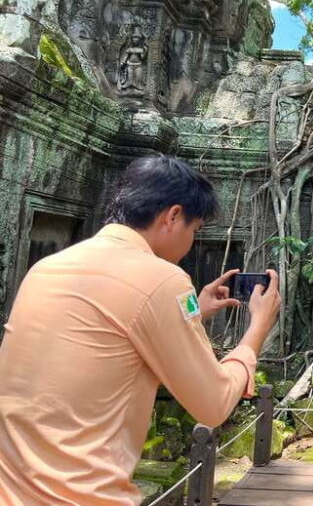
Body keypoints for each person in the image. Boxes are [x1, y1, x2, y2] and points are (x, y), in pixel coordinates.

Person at [0, 155, 282, 506]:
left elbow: (110, 344)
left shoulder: (47, 268)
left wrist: (194, 311)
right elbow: (214, 404)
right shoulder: (163, 279)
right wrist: (257, 329)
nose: (191, 242)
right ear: (173, 216)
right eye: (194, 230)